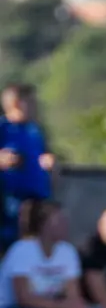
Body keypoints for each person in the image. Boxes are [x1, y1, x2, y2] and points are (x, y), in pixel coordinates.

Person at [1, 198, 89, 308]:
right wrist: (64, 306)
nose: (65, 224)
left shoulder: (68, 251)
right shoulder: (22, 250)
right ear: (43, 225)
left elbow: (73, 294)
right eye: (59, 220)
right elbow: (24, 299)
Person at [1, 83, 55, 246]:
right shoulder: (4, 128)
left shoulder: (35, 130)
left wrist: (50, 162)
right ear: (16, 104)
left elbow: (43, 154)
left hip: (38, 199)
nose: (35, 107)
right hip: (12, 200)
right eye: (31, 102)